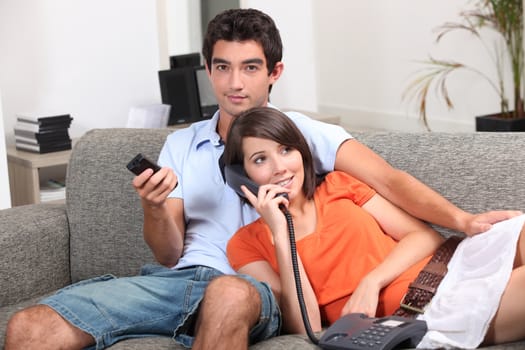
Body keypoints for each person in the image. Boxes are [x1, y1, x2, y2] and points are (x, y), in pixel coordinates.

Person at [4, 8, 520, 350]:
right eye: (223, 68)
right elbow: (166, 254)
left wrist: (462, 219)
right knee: (26, 326)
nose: (235, 83)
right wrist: (155, 208)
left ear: (274, 72)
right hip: (180, 282)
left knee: (230, 292)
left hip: (252, 289)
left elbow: (390, 180)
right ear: (208, 70)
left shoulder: (310, 138)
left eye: (250, 68)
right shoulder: (182, 148)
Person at [224, 106, 525, 348]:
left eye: (286, 150)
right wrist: (280, 231)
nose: (280, 167)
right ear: (241, 176)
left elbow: (424, 236)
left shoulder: (338, 185)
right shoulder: (246, 243)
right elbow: (307, 325)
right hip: (431, 308)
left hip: (452, 262)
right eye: (260, 159)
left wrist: (372, 281)